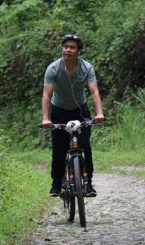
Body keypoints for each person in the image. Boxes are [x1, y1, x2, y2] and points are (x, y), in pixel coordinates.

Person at [41, 33, 105, 197]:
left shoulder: (86, 68)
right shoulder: (53, 68)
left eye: (72, 47)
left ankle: (88, 183)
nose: (68, 50)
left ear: (78, 51)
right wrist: (46, 118)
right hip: (59, 109)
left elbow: (94, 91)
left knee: (85, 145)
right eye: (66, 47)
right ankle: (56, 183)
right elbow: (47, 95)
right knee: (59, 148)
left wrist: (99, 113)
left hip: (79, 110)